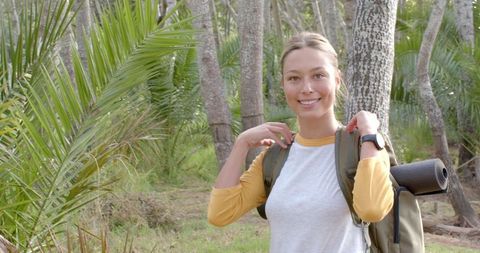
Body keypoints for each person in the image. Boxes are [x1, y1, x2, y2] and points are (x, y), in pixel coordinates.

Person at [207, 32, 394, 253]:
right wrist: (242, 143)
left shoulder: (362, 147)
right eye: (294, 78)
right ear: (284, 85)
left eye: (318, 75)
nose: (306, 88)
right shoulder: (276, 157)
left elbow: (372, 210)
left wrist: (370, 134)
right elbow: (219, 214)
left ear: (336, 80)